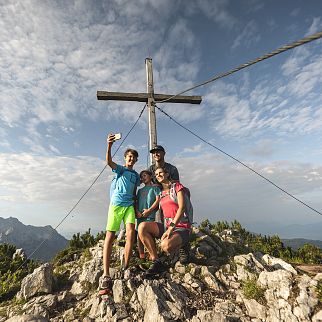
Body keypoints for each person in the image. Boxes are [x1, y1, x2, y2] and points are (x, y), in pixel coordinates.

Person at [99, 133, 140, 296]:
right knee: (110, 236)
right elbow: (108, 162)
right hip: (116, 205)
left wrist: (136, 207)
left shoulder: (136, 176)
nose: (131, 159)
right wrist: (109, 145)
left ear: (136, 160)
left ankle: (125, 267)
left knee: (131, 232)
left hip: (129, 205)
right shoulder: (121, 169)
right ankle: (106, 274)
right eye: (129, 157)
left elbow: (135, 191)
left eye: (133, 158)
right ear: (125, 158)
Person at [138, 167, 191, 277]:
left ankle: (184, 244)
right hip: (167, 227)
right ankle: (156, 261)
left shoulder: (177, 187)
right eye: (156, 174)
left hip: (181, 226)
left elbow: (182, 208)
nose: (158, 175)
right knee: (142, 227)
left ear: (167, 174)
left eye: (161, 173)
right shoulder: (161, 193)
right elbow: (156, 207)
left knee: (165, 246)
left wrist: (171, 228)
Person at [135, 170, 161, 259]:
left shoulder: (155, 188)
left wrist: (149, 211)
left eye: (145, 175)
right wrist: (137, 212)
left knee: (149, 235)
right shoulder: (140, 191)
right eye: (141, 177)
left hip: (150, 215)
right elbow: (136, 202)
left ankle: (152, 254)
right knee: (139, 235)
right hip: (140, 216)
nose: (143, 178)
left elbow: (158, 200)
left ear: (150, 176)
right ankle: (141, 256)